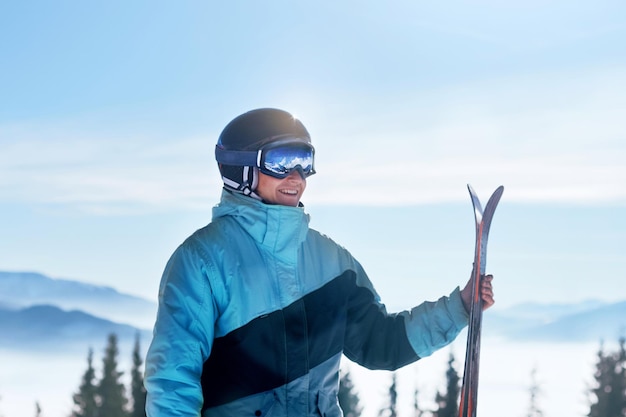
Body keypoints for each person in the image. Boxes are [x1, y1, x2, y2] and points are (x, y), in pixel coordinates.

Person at [144, 108, 495, 417]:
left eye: (305, 161)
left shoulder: (333, 262)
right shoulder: (202, 261)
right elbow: (173, 382)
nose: (296, 176)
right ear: (242, 169)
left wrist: (460, 307)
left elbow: (381, 343)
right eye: (282, 161)